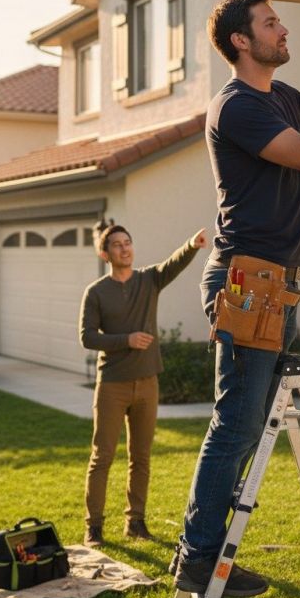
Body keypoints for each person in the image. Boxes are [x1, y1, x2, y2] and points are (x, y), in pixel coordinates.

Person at [173, 0, 300, 597]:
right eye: (270, 23)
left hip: (276, 283)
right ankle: (199, 557)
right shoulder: (235, 106)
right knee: (234, 424)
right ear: (242, 40)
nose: (282, 28)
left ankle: (211, 550)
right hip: (247, 279)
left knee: (250, 421)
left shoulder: (281, 96)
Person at [79, 222, 207, 547]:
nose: (125, 248)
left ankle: (135, 522)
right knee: (102, 456)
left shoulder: (149, 280)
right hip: (112, 385)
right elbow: (87, 337)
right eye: (117, 244)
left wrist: (191, 244)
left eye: (128, 242)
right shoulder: (96, 292)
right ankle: (93, 527)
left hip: (147, 382)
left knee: (142, 456)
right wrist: (127, 340)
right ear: (105, 252)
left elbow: (172, 264)